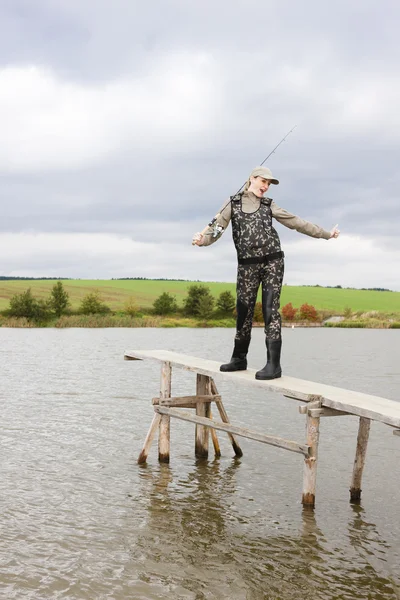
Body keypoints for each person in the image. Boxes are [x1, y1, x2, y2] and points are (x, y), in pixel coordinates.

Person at [192, 166, 340, 380]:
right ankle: (239, 358)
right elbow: (217, 229)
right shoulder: (232, 203)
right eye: (264, 181)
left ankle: (273, 366)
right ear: (252, 179)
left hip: (272, 262)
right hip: (246, 265)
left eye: (269, 184)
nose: (266, 187)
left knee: (271, 310)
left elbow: (297, 223)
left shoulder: (269, 205)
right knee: (244, 311)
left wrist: (326, 234)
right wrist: (202, 240)